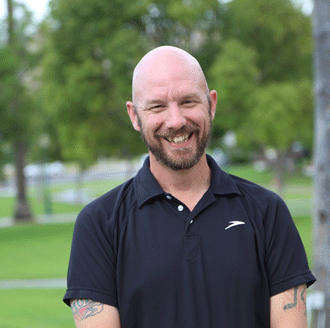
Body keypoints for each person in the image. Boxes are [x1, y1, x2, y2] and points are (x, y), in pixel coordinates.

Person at [63, 46, 316, 327]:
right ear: (134, 116)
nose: (176, 121)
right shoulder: (99, 224)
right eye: (158, 106)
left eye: (188, 102)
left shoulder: (267, 213)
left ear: (212, 104)